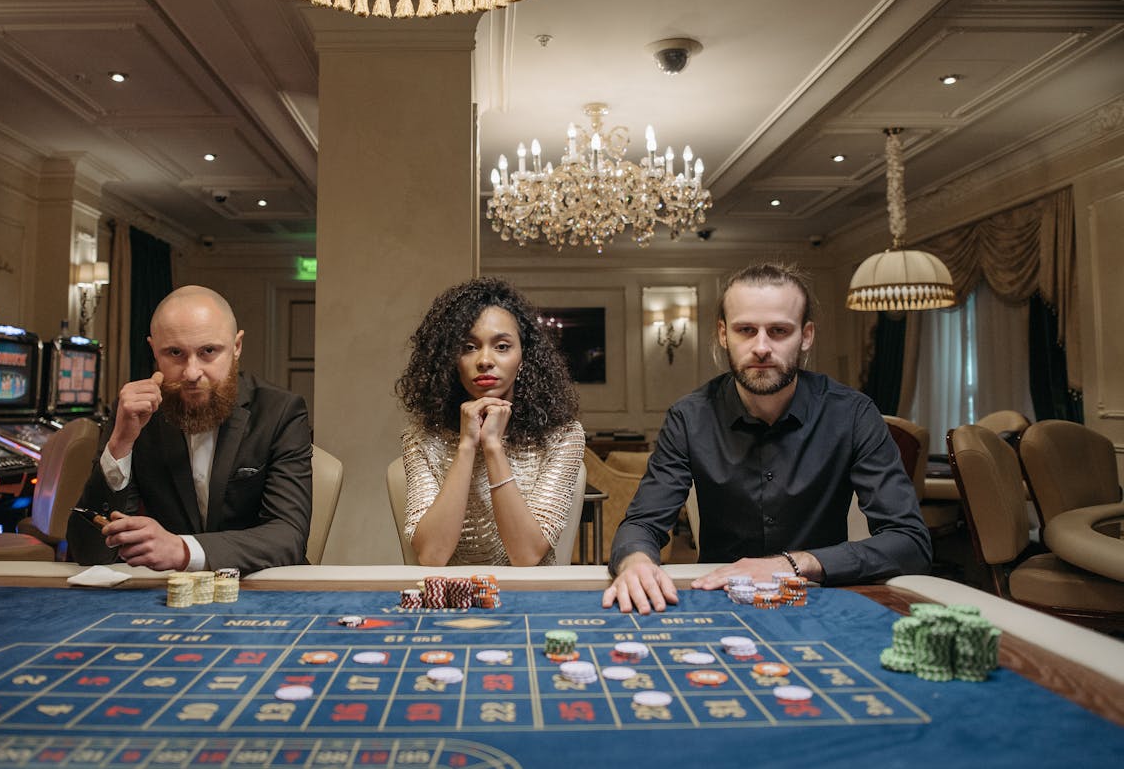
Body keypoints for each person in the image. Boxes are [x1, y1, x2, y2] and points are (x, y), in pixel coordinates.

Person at [603, 262, 930, 613]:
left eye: (778, 331)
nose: (761, 347)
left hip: (820, 601)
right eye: (746, 330)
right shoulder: (689, 417)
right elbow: (642, 524)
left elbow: (910, 542)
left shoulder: (852, 414)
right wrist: (635, 561)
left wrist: (792, 563)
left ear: (805, 336)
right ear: (724, 334)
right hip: (717, 600)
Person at [67, 285, 312, 574]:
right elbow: (88, 551)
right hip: (165, 593)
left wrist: (183, 550)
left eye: (208, 351)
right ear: (154, 352)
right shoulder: (134, 414)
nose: (192, 373)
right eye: (175, 353)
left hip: (260, 586)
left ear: (236, 347)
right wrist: (120, 443)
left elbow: (287, 537)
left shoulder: (280, 412)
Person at [396, 277, 585, 566]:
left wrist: (493, 446)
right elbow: (432, 556)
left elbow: (525, 557)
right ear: (451, 359)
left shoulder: (562, 435)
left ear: (523, 357)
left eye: (501, 346)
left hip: (531, 601)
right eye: (469, 347)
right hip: (452, 600)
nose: (484, 360)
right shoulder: (421, 438)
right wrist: (467, 445)